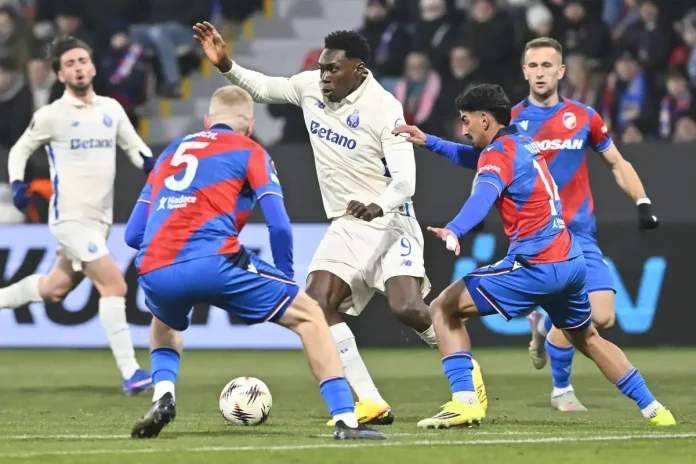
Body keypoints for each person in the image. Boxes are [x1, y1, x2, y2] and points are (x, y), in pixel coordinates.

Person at [193, 21, 444, 426]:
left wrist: (378, 205)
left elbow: (405, 182)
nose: (324, 76)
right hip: (347, 222)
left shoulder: (385, 108)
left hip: (390, 220)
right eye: (322, 68)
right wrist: (226, 64)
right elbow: (264, 88)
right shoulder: (311, 87)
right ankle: (371, 401)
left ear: (358, 70)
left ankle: (466, 376)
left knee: (409, 310)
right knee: (316, 304)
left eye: (333, 69)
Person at [394, 37, 660, 412]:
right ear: (524, 71)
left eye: (546, 65)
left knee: (598, 316)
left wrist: (642, 201)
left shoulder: (582, 117)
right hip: (554, 244)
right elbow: (482, 162)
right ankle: (609, 399)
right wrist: (431, 143)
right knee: (585, 331)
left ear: (560, 71)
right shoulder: (513, 125)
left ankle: (480, 386)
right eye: (533, 66)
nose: (539, 73)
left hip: (564, 241)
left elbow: (615, 162)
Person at [125, 85, 385, 441]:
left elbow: (132, 234)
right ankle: (345, 420)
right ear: (249, 126)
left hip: (155, 267)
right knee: (311, 316)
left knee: (164, 321)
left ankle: (163, 396)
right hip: (215, 260)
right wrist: (286, 279)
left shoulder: (170, 152)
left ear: (207, 121)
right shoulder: (250, 150)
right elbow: (279, 225)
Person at [2, 36, 154, 395]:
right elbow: (19, 150)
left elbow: (137, 150)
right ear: (60, 74)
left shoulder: (111, 110)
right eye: (69, 64)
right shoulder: (52, 115)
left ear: (93, 67)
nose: (78, 68)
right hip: (69, 220)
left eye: (82, 61)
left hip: (100, 222)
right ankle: (131, 372)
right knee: (115, 285)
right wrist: (19, 184)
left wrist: (158, 169)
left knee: (53, 289)